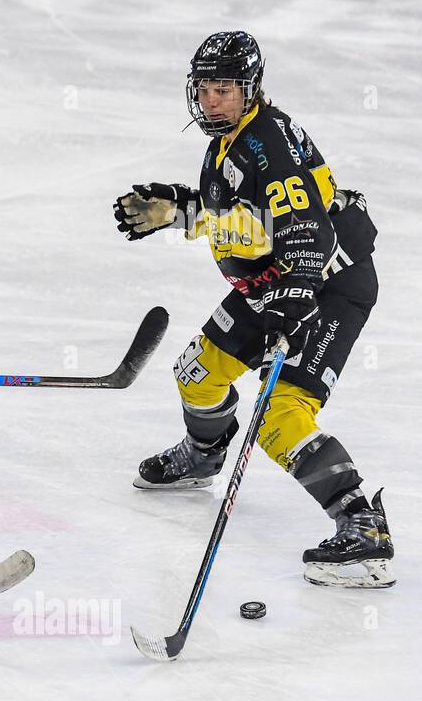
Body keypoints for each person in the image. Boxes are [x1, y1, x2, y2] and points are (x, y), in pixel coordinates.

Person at [113, 31, 392, 589]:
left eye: (225, 88)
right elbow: (248, 222)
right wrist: (178, 210)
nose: (212, 100)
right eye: (205, 89)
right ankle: (204, 453)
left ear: (250, 89)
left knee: (279, 414)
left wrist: (292, 307)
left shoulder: (266, 142)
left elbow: (305, 232)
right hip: (272, 282)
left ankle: (364, 529)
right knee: (196, 373)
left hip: (324, 286)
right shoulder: (228, 141)